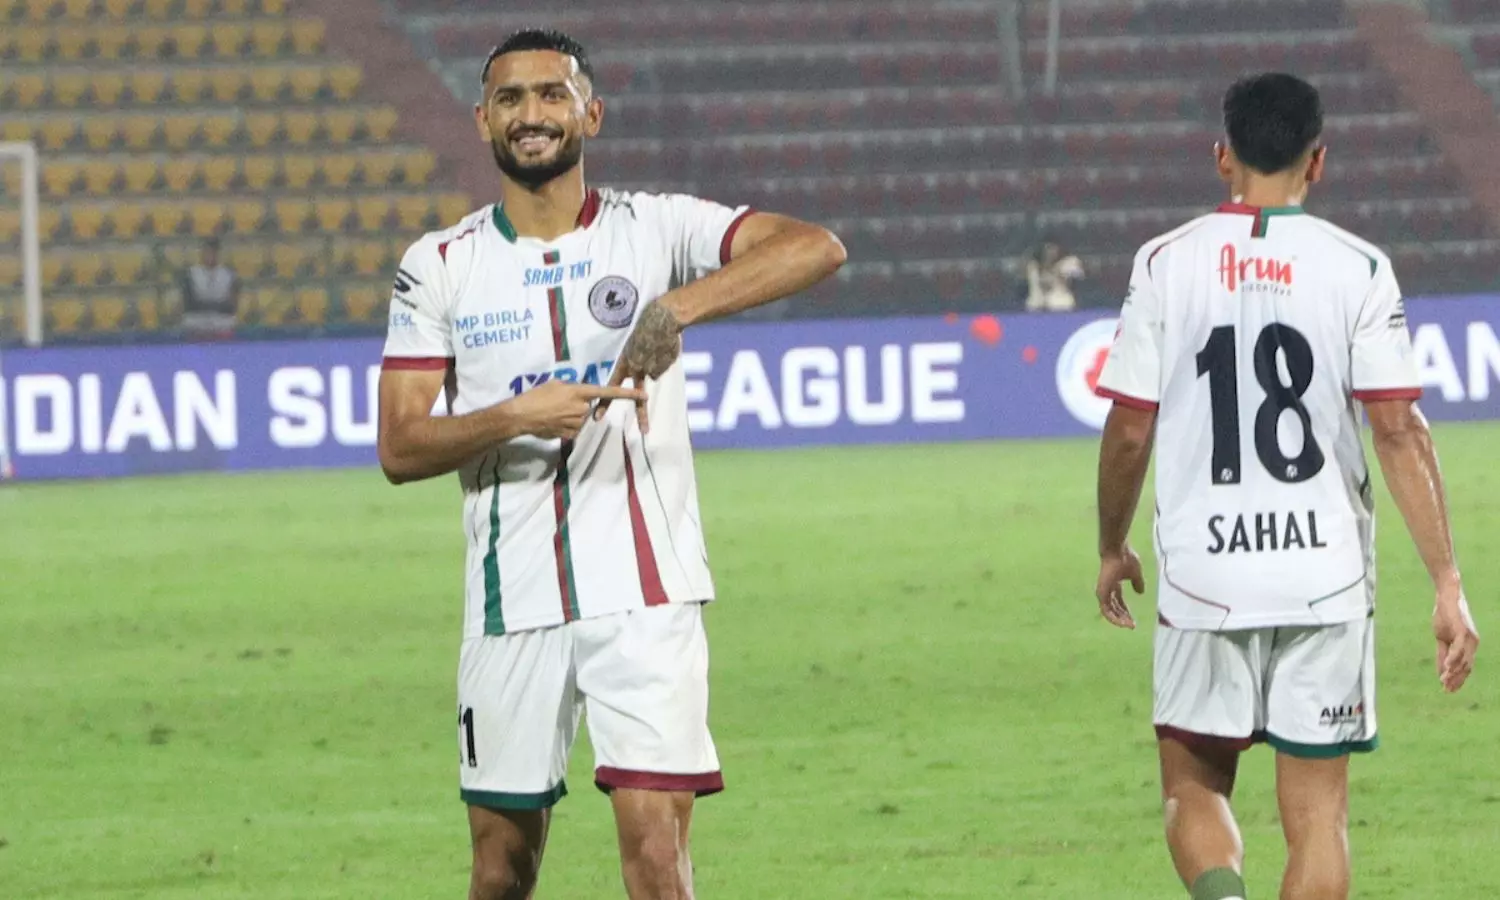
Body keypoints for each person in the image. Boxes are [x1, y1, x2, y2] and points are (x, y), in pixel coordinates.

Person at [375, 28, 845, 900]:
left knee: (656, 856)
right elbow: (399, 447)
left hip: (646, 595)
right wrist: (516, 414)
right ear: (482, 122)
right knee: (500, 871)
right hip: (508, 601)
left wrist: (675, 308)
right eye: (510, 99)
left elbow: (815, 246)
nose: (532, 115)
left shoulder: (658, 226)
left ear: (590, 111)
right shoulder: (438, 266)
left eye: (552, 94)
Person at [1090, 72, 1480, 900]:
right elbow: (1398, 430)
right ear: (1320, 160)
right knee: (1320, 819)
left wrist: (1110, 544)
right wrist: (1447, 581)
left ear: (1221, 156)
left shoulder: (1163, 263)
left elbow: (1129, 429)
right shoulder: (1360, 268)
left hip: (1205, 575)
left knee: (1193, 787)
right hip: (1325, 576)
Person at [179, 236, 239, 340]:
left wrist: (208, 304)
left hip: (221, 321)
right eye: (207, 252)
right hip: (197, 321)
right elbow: (189, 303)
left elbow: (231, 306)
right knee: (191, 322)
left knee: (228, 323)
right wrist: (216, 304)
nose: (210, 255)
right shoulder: (191, 274)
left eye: (213, 252)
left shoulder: (228, 275)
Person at [1023, 237, 1084, 312]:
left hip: (1062, 305)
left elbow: (1078, 275)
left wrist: (1059, 273)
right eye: (1047, 248)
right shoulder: (1033, 267)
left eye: (1053, 248)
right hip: (1037, 307)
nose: (1050, 252)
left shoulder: (1068, 262)